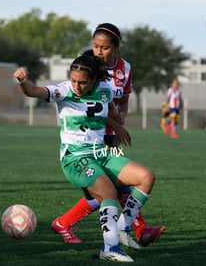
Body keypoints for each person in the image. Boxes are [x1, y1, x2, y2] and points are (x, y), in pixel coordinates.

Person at [14, 54, 157, 262]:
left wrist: (117, 126)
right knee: (108, 192)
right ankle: (110, 248)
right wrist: (22, 81)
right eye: (74, 80)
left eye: (82, 82)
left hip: (101, 154)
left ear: (93, 80)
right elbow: (33, 91)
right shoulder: (64, 90)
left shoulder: (105, 89)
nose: (77, 86)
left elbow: (104, 111)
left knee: (146, 177)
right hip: (75, 158)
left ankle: (124, 229)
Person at [50, 23, 165, 248]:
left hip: (109, 134)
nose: (98, 52)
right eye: (95, 46)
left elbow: (122, 102)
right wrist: (112, 124)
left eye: (104, 48)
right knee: (111, 188)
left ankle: (64, 222)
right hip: (89, 136)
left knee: (111, 188)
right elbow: (86, 105)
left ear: (116, 48)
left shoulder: (126, 69)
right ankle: (139, 230)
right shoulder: (89, 67)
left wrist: (119, 121)